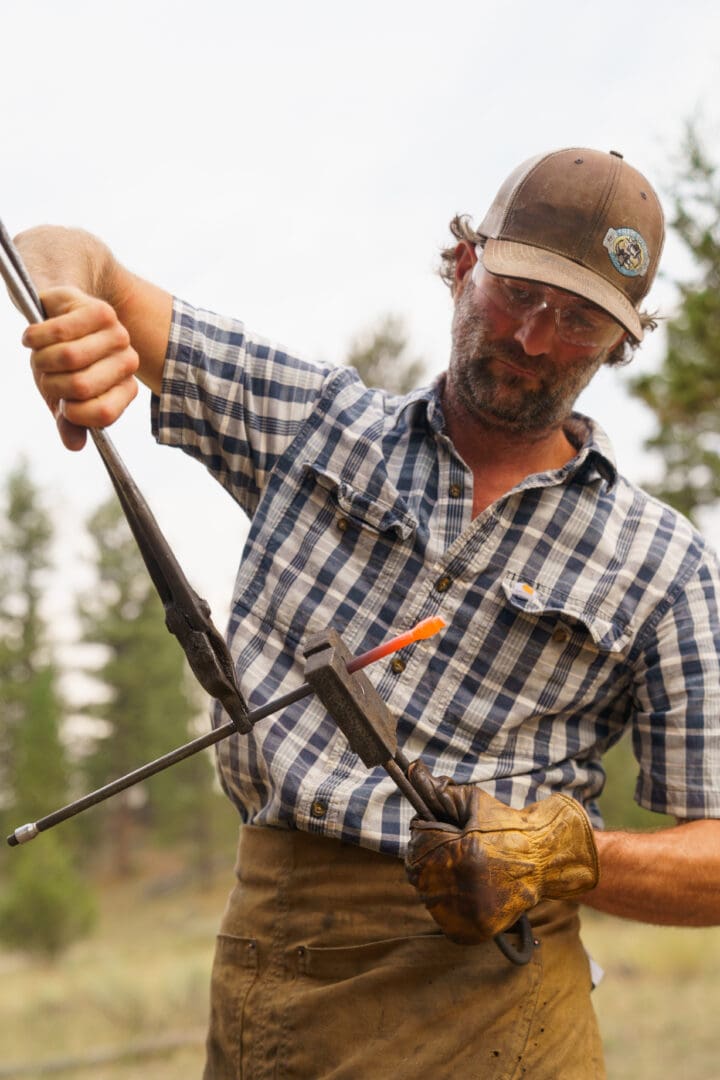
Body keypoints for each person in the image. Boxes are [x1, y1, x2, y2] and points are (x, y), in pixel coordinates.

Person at [14, 147, 720, 1079]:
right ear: (466, 265)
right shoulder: (313, 423)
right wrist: (76, 319)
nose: (538, 339)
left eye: (581, 321)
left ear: (621, 343)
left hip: (500, 1012)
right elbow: (63, 251)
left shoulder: (664, 566)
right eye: (518, 294)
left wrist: (566, 854)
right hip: (274, 980)